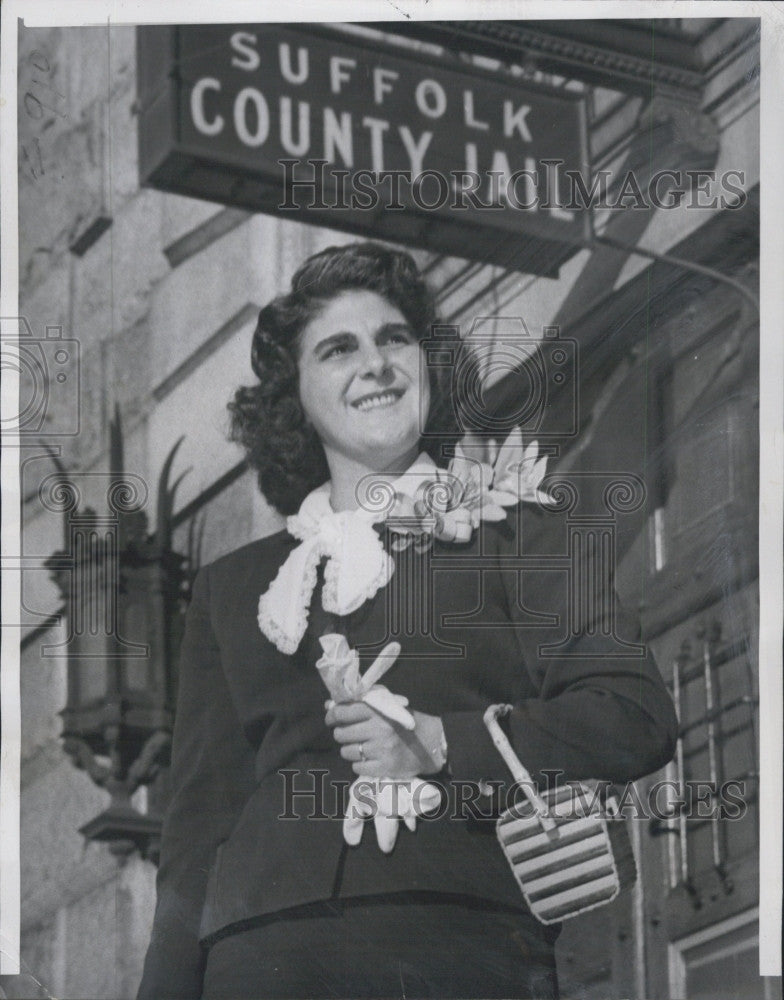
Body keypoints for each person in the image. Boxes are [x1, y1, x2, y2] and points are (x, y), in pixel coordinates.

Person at [137, 241, 678, 1000]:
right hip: (258, 957)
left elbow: (634, 714)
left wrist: (440, 742)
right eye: (338, 348)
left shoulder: (517, 532)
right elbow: (195, 834)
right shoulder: (236, 590)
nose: (377, 363)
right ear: (295, 398)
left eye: (395, 338)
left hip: (456, 940)